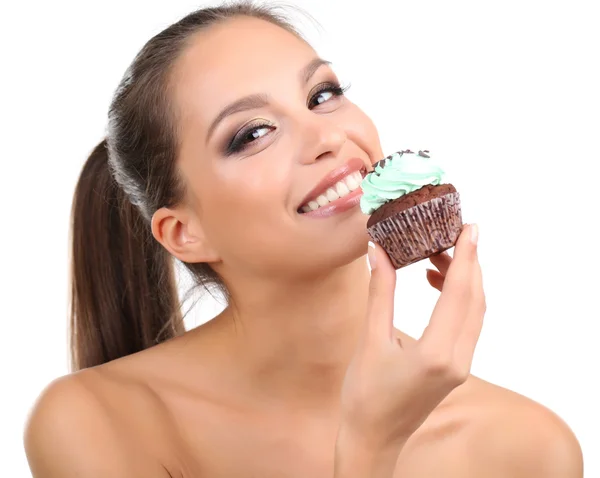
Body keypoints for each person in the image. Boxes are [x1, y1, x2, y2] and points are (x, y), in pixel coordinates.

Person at [23, 2, 583, 477]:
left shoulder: (527, 449)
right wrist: (369, 447)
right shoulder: (96, 422)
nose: (328, 136)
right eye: (252, 134)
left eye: (322, 94)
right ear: (184, 232)